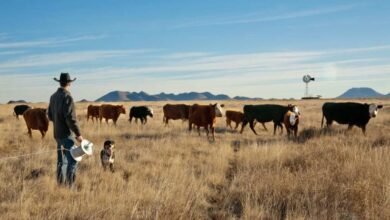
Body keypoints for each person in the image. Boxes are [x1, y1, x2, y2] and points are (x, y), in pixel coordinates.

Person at [48, 73, 83, 187]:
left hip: (57, 135)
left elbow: (49, 116)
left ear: (60, 82)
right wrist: (78, 134)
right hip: (67, 135)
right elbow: (71, 119)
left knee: (61, 161)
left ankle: (60, 184)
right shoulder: (68, 97)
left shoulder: (53, 97)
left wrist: (58, 122)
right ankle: (70, 187)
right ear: (69, 83)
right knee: (73, 160)